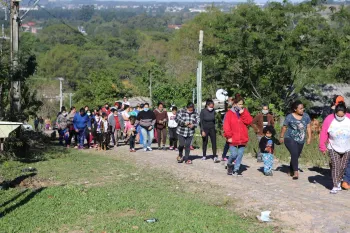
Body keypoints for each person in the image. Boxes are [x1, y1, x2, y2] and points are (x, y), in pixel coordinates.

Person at [319, 101, 350, 194]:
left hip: (347, 147)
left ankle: (339, 181)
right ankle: (335, 185)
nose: (340, 117)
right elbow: (324, 133)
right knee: (336, 165)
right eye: (338, 115)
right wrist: (322, 147)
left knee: (343, 166)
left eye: (342, 116)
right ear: (335, 113)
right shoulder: (329, 119)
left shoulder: (349, 118)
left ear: (345, 113)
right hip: (333, 146)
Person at [279, 100, 311, 180]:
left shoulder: (306, 116)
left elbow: (308, 127)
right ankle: (296, 172)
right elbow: (284, 127)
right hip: (289, 138)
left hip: (301, 139)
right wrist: (281, 137)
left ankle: (291, 170)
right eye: (300, 108)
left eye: (303, 108)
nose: (302, 110)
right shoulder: (289, 117)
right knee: (294, 152)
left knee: (296, 155)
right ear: (295, 109)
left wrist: (309, 137)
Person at [224, 95, 253, 176]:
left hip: (242, 137)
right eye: (239, 104)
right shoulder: (229, 113)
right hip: (232, 137)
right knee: (234, 154)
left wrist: (243, 113)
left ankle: (236, 169)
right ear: (235, 104)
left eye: (242, 104)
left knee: (240, 154)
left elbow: (249, 121)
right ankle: (229, 164)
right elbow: (226, 126)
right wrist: (228, 136)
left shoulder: (244, 111)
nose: (241, 106)